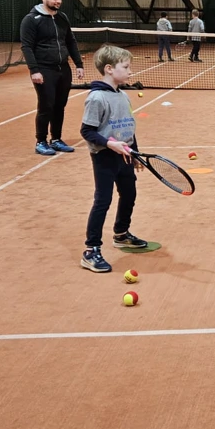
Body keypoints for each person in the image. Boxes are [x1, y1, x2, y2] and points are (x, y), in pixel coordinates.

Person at [79, 44, 149, 273]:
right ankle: (91, 251)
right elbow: (87, 131)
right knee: (103, 200)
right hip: (105, 157)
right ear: (109, 69)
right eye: (126, 67)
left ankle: (121, 233)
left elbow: (128, 126)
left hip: (125, 155)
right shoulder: (96, 98)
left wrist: (134, 152)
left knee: (129, 193)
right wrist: (110, 144)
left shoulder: (123, 95)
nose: (130, 71)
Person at [21, 0, 85, 156]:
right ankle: (41, 141)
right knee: (46, 106)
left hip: (63, 69)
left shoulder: (62, 17)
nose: (58, 1)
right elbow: (26, 47)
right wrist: (34, 70)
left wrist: (78, 64)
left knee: (60, 106)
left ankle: (56, 139)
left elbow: (70, 42)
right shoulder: (31, 19)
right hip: (44, 69)